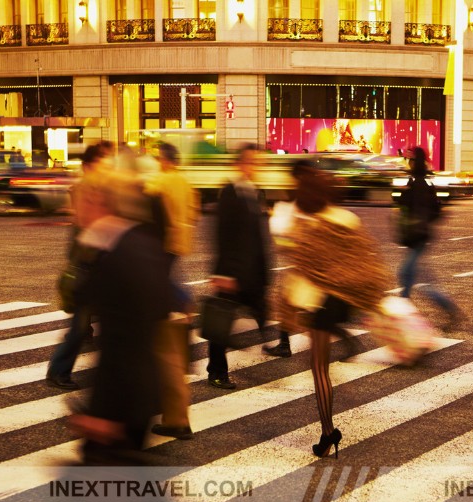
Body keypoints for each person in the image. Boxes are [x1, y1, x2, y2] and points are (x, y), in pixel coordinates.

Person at [69, 180, 228, 502]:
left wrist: (99, 413)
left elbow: (101, 322)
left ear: (95, 202)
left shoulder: (111, 254)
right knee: (112, 491)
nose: (74, 215)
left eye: (79, 206)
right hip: (144, 389)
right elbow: (161, 305)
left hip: (118, 396)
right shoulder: (144, 244)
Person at [278, 162, 388, 457]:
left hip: (317, 302)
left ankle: (328, 432)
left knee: (318, 369)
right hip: (340, 301)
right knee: (320, 366)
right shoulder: (346, 218)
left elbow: (299, 263)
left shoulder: (307, 223)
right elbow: (365, 260)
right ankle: (327, 430)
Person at [145, 142, 201, 440]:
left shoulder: (160, 181)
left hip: (162, 243)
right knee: (169, 278)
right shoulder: (184, 180)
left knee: (165, 284)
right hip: (180, 241)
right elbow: (194, 211)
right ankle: (182, 302)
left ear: (162, 159)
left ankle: (183, 301)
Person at [46, 143, 113, 390]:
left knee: (90, 326)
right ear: (89, 166)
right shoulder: (86, 188)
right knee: (78, 327)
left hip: (98, 265)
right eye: (103, 161)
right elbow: (86, 226)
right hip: (88, 267)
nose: (108, 165)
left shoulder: (101, 188)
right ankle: (58, 371)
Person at [207, 143, 272, 389]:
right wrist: (223, 272)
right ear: (243, 163)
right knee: (220, 323)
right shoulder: (230, 192)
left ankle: (268, 342)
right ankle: (216, 371)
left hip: (251, 270)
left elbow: (257, 235)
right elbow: (223, 235)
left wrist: (264, 271)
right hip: (233, 272)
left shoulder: (252, 191)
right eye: (255, 163)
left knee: (260, 311)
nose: (258, 168)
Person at [397, 146, 461, 330]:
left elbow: (421, 209)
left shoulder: (419, 183)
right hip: (417, 236)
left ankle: (447, 310)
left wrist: (416, 221)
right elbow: (434, 211)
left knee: (409, 276)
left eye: (410, 159)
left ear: (416, 161)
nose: (408, 162)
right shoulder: (419, 181)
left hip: (418, 237)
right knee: (412, 278)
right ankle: (404, 314)